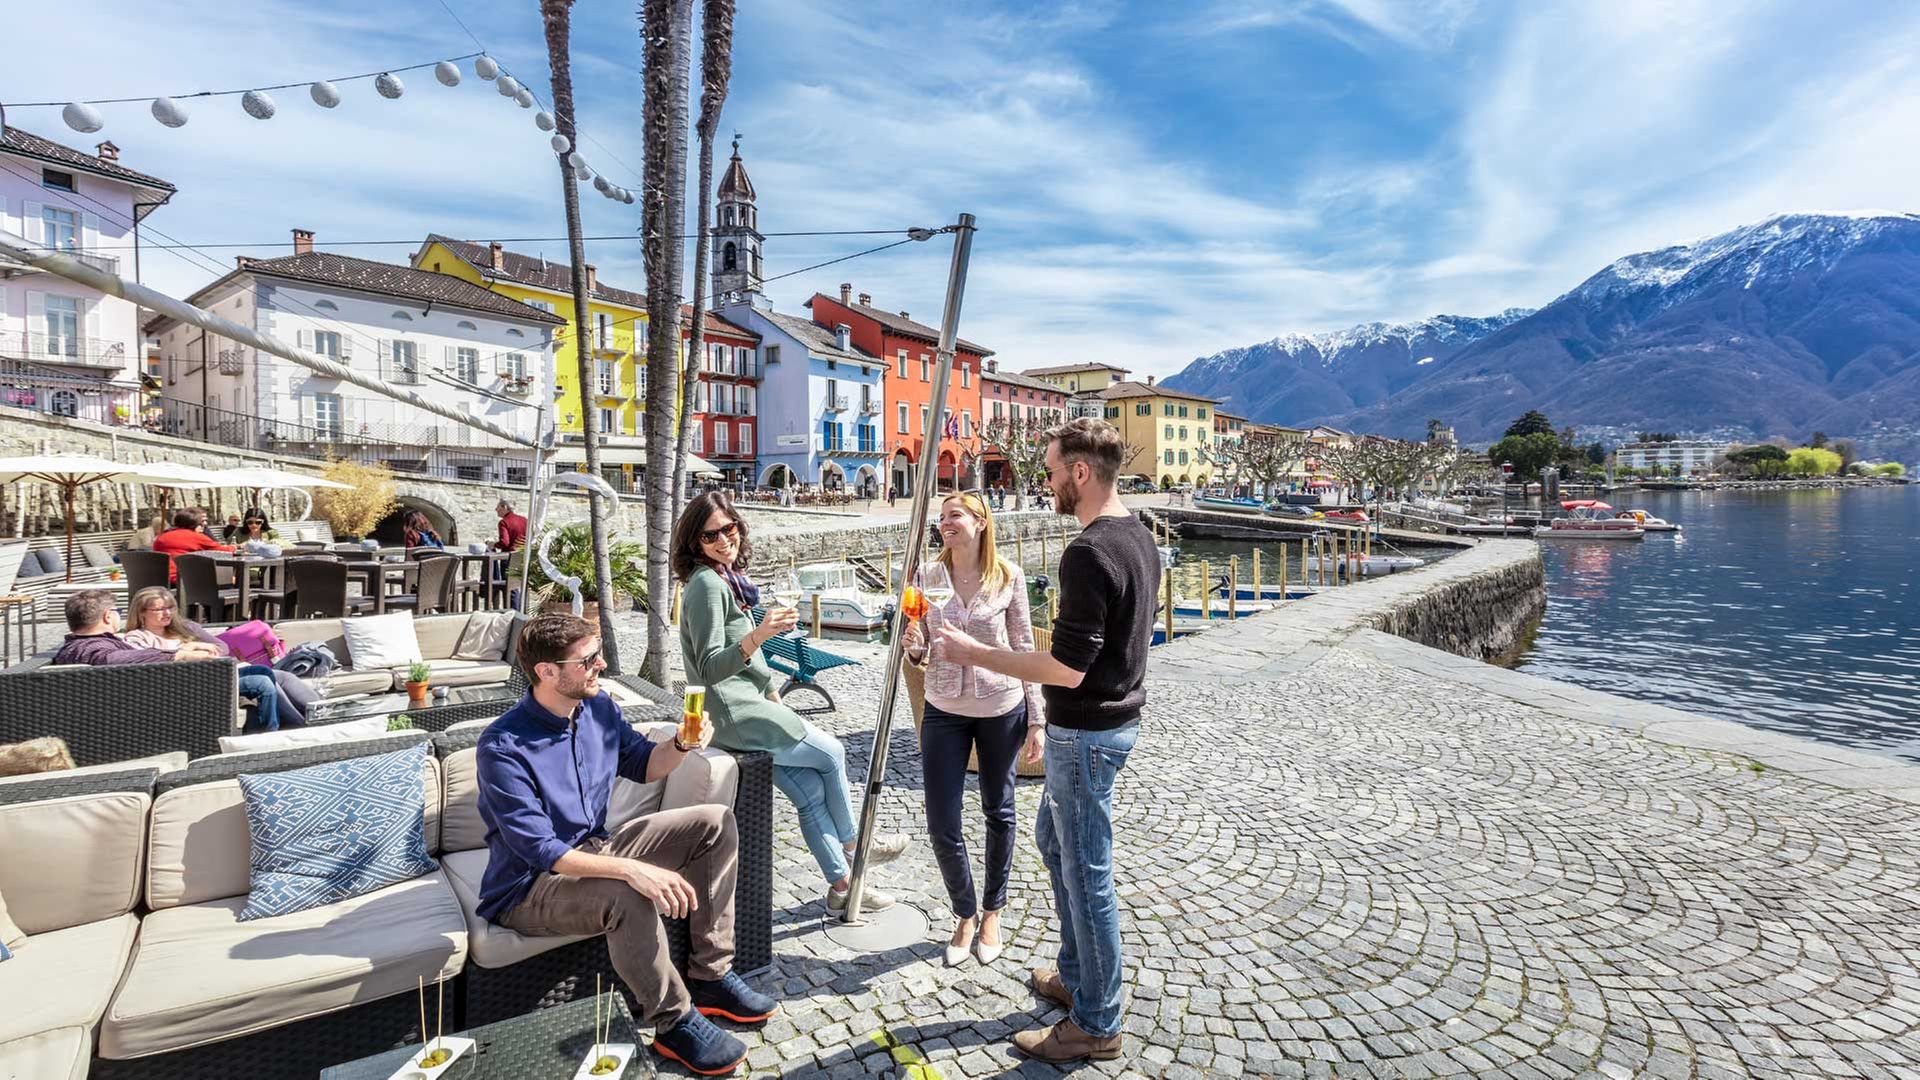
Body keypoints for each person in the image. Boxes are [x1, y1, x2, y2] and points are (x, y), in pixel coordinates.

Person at [933, 418, 1158, 1063]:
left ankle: (1097, 1022)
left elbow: (1067, 669)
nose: (1048, 483)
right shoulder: (1139, 534)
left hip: (1085, 734)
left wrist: (978, 653)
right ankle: (1079, 977)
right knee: (1053, 843)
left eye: (1054, 471)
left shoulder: (1088, 552)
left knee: (1087, 877)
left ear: (1081, 473)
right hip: (1111, 725)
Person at [475, 614, 776, 1075]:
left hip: (596, 847)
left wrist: (682, 743)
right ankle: (673, 1022)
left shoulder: (598, 708)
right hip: (529, 886)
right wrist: (633, 869)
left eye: (598, 654)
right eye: (588, 660)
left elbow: (644, 764)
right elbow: (541, 851)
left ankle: (711, 976)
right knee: (625, 891)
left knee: (713, 823)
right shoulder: (502, 746)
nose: (601, 665)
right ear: (546, 672)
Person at [672, 492, 911, 911]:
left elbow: (749, 661)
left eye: (728, 528)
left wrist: (771, 692)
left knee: (810, 794)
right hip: (736, 712)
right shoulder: (708, 585)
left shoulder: (725, 580)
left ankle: (841, 888)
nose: (724, 540)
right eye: (711, 536)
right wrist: (760, 634)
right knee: (833, 753)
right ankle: (857, 845)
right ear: (695, 542)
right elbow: (709, 667)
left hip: (742, 707)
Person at [901, 493, 1043, 968]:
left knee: (999, 811)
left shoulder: (1009, 576)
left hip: (1001, 706)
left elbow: (1023, 646)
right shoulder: (926, 576)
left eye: (955, 515)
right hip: (943, 707)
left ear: (981, 523)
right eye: (941, 517)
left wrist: (1037, 719)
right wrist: (915, 646)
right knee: (941, 821)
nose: (945, 523)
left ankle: (992, 913)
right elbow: (919, 645)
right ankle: (964, 913)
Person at [53, 589, 291, 732]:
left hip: (157, 695)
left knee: (264, 674)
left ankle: (276, 730)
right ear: (108, 616)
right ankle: (274, 733)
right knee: (262, 681)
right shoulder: (92, 648)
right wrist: (180, 654)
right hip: (164, 700)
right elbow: (112, 659)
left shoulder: (79, 645)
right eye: (117, 611)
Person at [121, 585, 316, 726]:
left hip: (220, 672)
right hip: (189, 683)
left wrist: (199, 646)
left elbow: (222, 647)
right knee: (264, 681)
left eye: (170, 608)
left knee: (282, 676)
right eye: (159, 609)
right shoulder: (137, 637)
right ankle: (298, 725)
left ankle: (321, 713)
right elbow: (145, 659)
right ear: (142, 612)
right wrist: (187, 650)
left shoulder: (185, 627)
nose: (167, 613)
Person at [151, 509, 236, 583]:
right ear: (195, 524)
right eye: (202, 523)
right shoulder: (196, 537)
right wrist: (234, 547)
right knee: (229, 578)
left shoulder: (162, 537)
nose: (204, 526)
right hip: (184, 580)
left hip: (160, 579)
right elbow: (223, 551)